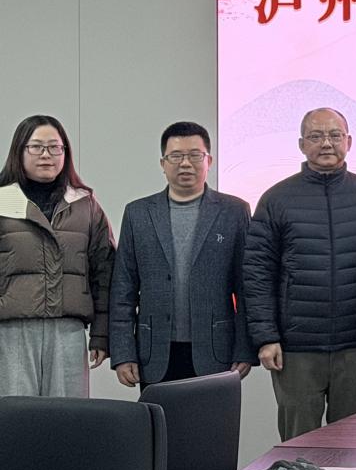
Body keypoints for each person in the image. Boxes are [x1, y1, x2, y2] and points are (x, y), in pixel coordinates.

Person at [244, 108, 356, 440]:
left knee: (353, 445)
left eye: (335, 135)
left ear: (348, 142)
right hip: (296, 348)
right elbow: (257, 273)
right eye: (316, 136)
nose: (326, 143)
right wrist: (266, 337)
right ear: (301, 144)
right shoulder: (277, 198)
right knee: (299, 446)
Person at [109, 121, 254, 387]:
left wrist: (245, 349)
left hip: (217, 351)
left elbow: (246, 287)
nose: (185, 163)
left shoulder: (234, 211)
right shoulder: (138, 213)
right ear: (163, 163)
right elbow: (123, 290)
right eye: (176, 156)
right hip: (154, 353)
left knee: (213, 416)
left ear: (209, 160)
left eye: (195, 155)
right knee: (158, 416)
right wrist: (123, 353)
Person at [0, 115, 114, 397]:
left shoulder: (85, 205)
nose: (46, 155)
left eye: (54, 147)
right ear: (19, 151)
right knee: (16, 417)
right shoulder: (2, 201)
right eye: (36, 147)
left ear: (65, 153)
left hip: (67, 331)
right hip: (10, 331)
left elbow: (105, 273)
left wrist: (101, 333)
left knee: (67, 417)